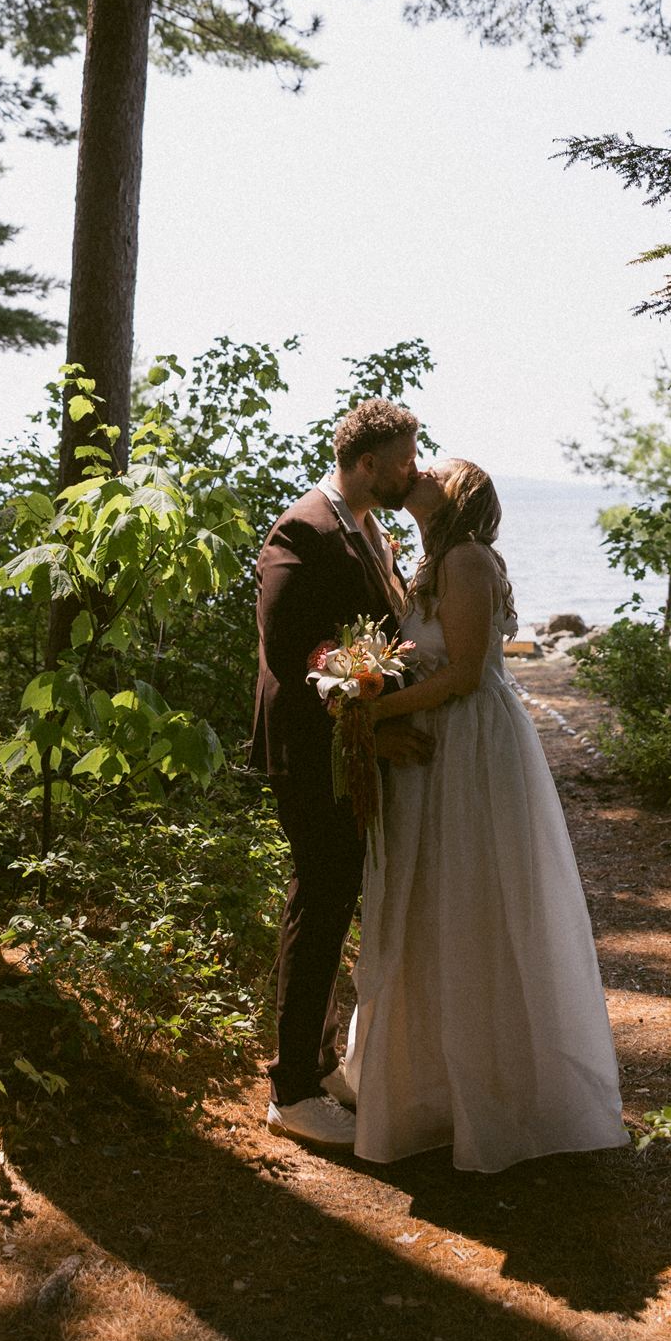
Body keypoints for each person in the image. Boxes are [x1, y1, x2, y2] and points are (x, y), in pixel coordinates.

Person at [345, 459, 625, 1172]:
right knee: (432, 906)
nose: (420, 469)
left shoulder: (466, 560)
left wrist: (368, 711)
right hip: (437, 743)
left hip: (467, 744)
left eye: (435, 469)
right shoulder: (429, 560)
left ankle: (494, 1093)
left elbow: (464, 673)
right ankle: (433, 1087)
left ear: (459, 495)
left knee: (470, 904)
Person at [250, 398, 433, 1146]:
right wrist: (360, 733)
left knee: (336, 896)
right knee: (319, 900)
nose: (411, 472)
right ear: (365, 466)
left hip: (347, 747)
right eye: (400, 462)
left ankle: (320, 1061)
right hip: (310, 747)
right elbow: (294, 653)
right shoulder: (304, 529)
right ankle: (291, 1090)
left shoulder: (367, 528)